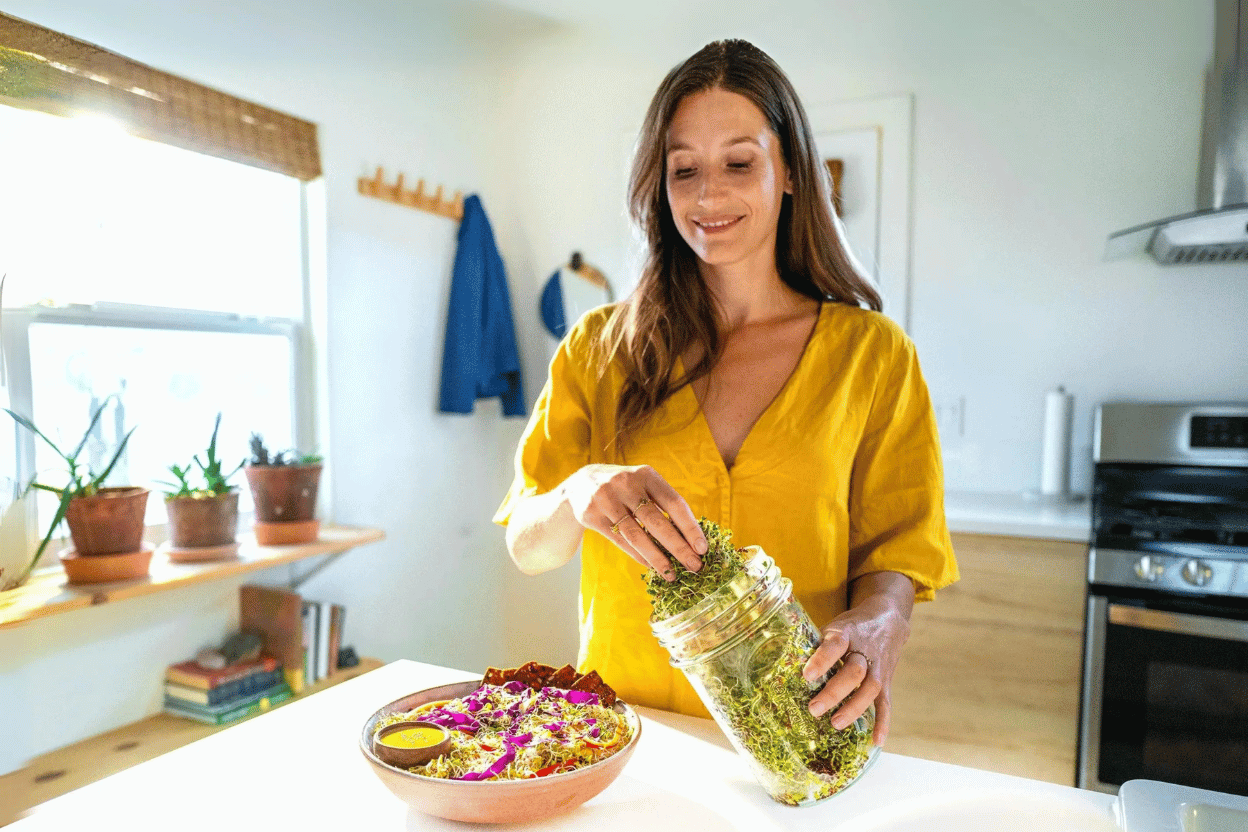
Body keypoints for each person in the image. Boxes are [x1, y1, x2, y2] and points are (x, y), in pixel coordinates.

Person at [494, 39, 958, 747]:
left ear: (791, 173)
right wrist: (575, 492)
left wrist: (881, 622)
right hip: (624, 738)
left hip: (797, 735)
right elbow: (529, 545)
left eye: (739, 163)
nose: (709, 196)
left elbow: (898, 550)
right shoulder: (597, 349)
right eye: (685, 170)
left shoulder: (874, 356)